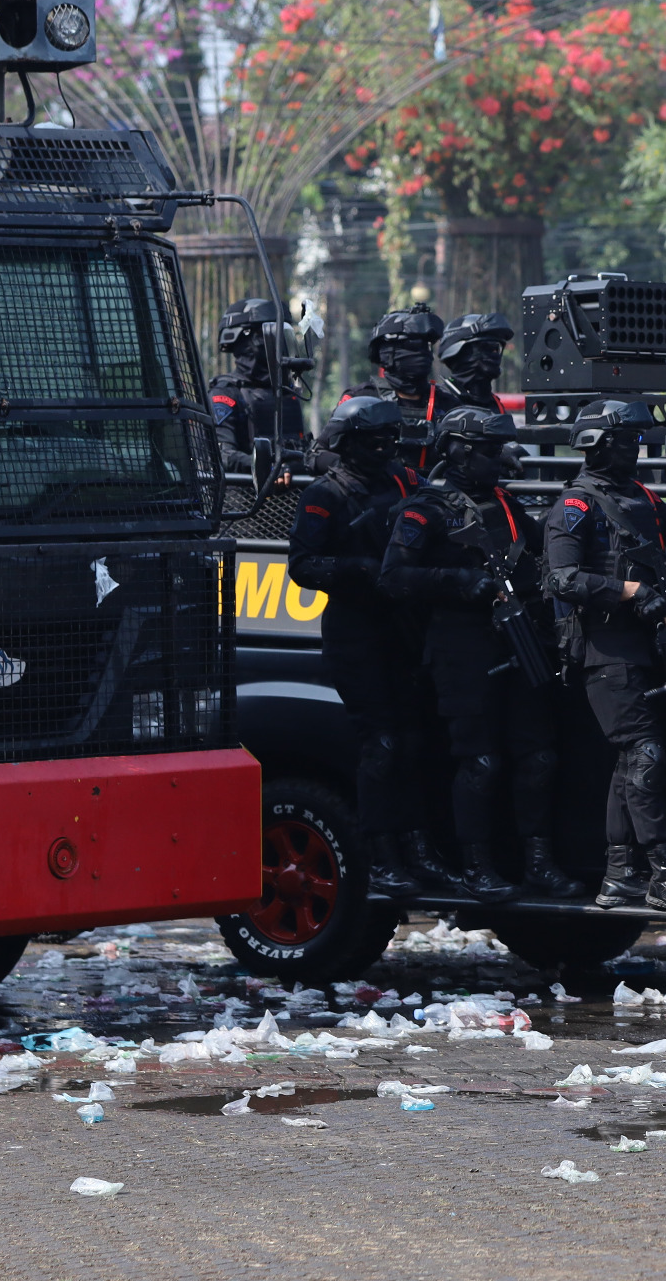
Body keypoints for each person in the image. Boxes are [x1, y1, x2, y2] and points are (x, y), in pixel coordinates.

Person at [545, 399, 666, 915]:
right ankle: (664, 875)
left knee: (632, 762)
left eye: (637, 440)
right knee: (646, 756)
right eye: (626, 441)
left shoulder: (642, 498)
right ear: (597, 444)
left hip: (653, 649)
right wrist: (629, 591)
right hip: (606, 652)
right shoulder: (575, 506)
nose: (636, 449)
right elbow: (562, 579)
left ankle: (618, 877)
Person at [378, 408, 583, 902]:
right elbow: (393, 578)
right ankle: (477, 867)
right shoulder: (424, 510)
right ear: (459, 450)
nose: (502, 459)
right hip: (461, 649)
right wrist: (462, 583)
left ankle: (537, 864)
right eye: (491, 451)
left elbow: (546, 555)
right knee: (482, 762)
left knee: (538, 757)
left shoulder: (507, 505)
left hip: (518, 643)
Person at [287, 395, 457, 898]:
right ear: (349, 441)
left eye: (390, 437)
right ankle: (382, 855)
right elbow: (302, 565)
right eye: (375, 438)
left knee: (415, 740)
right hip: (356, 630)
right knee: (382, 743)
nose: (386, 444)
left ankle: (419, 847)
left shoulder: (403, 480)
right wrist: (358, 569)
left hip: (402, 626)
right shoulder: (326, 495)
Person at [208, 298, 308, 478]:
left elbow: (302, 447)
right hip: (246, 500)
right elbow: (223, 455)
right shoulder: (226, 393)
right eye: (273, 335)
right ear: (246, 338)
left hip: (293, 496)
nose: (281, 344)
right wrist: (269, 469)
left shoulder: (286, 391)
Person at [430, 313, 515, 415]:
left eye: (497, 349)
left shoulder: (497, 407)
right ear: (460, 352)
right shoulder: (434, 401)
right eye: (487, 347)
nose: (495, 354)